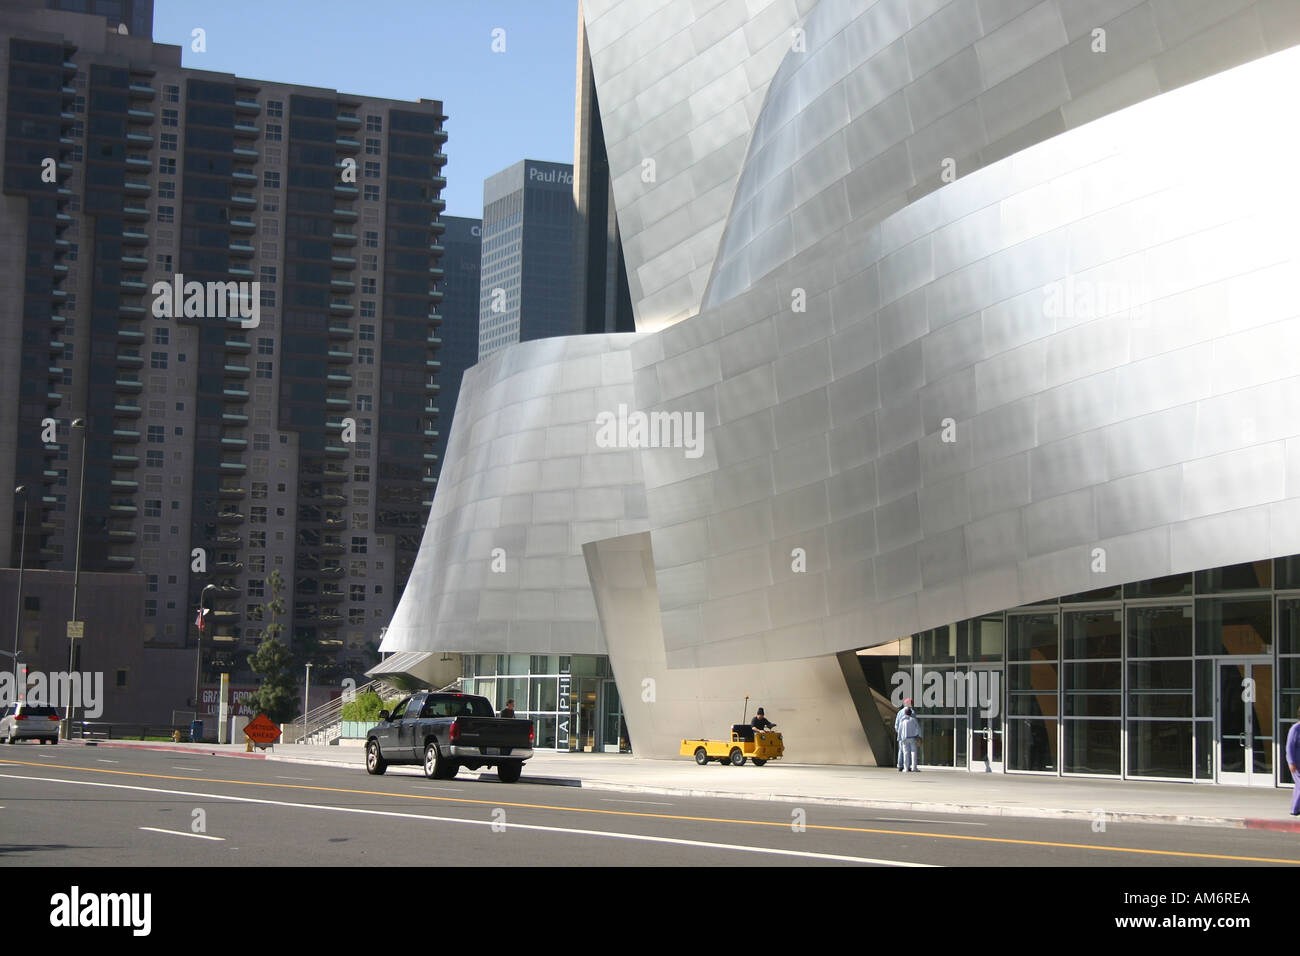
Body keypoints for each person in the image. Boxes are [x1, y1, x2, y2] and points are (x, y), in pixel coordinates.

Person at [899, 706, 922, 772]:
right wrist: (919, 736)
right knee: (913, 752)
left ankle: (906, 768)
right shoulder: (913, 720)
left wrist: (899, 738)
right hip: (912, 738)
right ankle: (914, 768)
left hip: (904, 739)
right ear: (910, 713)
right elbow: (918, 728)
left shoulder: (902, 720)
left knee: (905, 753)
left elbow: (900, 730)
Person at [893, 698, 914, 771]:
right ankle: (908, 766)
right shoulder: (912, 712)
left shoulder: (899, 712)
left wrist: (899, 732)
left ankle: (900, 765)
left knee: (901, 750)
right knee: (910, 751)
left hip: (901, 735)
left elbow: (896, 724)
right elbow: (914, 724)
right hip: (910, 735)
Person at [1288, 706, 1300, 816]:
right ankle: (1295, 810)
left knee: (1298, 787)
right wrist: (1291, 762)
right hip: (1297, 764)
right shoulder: (1295, 729)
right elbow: (1289, 747)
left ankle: (1295, 809)